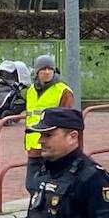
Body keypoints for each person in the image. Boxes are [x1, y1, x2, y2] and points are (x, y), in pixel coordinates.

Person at [24, 55, 75, 194]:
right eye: (43, 69)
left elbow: (66, 121)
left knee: (51, 188)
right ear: (37, 72)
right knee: (31, 185)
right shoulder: (31, 90)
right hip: (33, 146)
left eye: (49, 69)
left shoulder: (63, 91)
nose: (46, 72)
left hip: (53, 148)